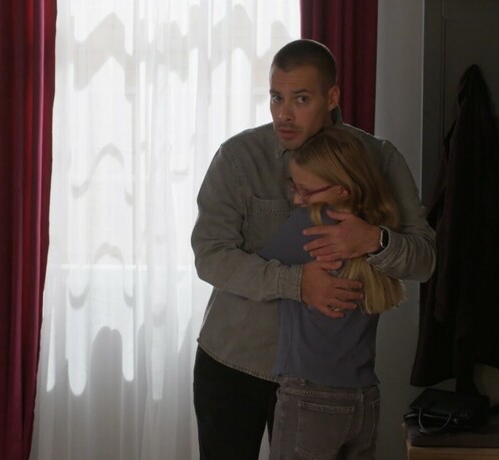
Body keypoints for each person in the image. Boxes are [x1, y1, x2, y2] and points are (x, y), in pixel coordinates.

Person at [191, 39, 435, 459]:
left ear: (332, 97)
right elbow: (210, 255)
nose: (284, 114)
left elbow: (425, 260)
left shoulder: (379, 159)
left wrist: (373, 239)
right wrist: (296, 283)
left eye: (301, 99)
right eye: (276, 98)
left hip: (328, 386)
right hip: (235, 364)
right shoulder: (238, 158)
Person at [259, 126, 404, 459]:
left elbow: (255, 271)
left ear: (341, 190)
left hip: (311, 395)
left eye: (306, 191)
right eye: (294, 187)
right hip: (364, 398)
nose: (298, 199)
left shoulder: (309, 225)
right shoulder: (376, 230)